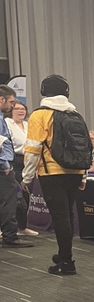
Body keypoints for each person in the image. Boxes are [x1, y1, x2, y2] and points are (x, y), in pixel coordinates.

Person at [23, 75, 86, 273]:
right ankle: (63, 254)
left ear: (44, 92)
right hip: (75, 171)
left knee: (60, 217)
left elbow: (33, 149)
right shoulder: (75, 114)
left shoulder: (39, 115)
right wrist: (83, 174)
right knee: (68, 215)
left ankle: (66, 263)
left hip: (52, 172)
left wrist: (26, 177)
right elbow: (84, 147)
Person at [0, 86, 33, 249]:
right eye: (11, 102)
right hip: (4, 166)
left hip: (10, 163)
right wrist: (5, 164)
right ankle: (10, 236)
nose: (12, 105)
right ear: (2, 99)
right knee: (9, 201)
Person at [4, 99, 37, 236]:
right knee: (16, 197)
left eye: (23, 109)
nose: (20, 111)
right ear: (11, 111)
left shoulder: (28, 125)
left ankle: (22, 227)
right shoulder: (7, 123)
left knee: (27, 194)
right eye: (17, 109)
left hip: (29, 160)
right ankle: (7, 227)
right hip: (14, 161)